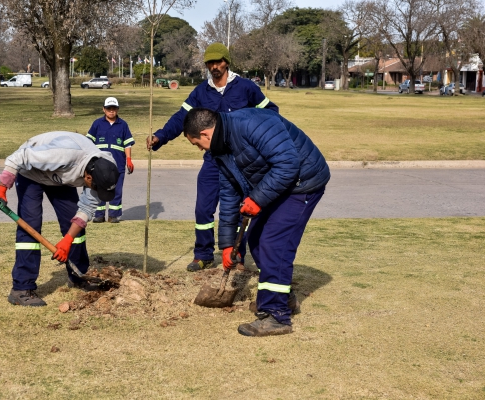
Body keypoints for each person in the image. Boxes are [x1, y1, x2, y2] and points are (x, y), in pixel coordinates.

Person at [183, 108, 330, 337]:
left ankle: (276, 315)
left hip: (302, 183)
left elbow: (288, 164)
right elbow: (229, 194)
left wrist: (257, 199)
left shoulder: (252, 124)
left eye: (197, 144)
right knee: (258, 241)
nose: (200, 149)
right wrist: (228, 245)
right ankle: (284, 297)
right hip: (277, 185)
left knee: (274, 244)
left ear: (205, 134)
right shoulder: (220, 150)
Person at [146, 42, 279, 272]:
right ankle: (203, 255)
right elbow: (181, 118)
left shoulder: (246, 87)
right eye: (210, 63)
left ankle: (237, 257)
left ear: (227, 62)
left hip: (241, 162)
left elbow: (271, 113)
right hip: (213, 160)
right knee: (203, 209)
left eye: (218, 62)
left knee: (240, 211)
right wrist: (160, 137)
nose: (214, 66)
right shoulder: (201, 91)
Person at [0, 131, 120, 307]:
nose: (98, 193)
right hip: (31, 173)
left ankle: (78, 275)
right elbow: (17, 158)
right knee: (31, 227)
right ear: (88, 177)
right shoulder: (63, 155)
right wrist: (1, 188)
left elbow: (86, 209)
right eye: (95, 188)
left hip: (61, 179)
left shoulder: (106, 169)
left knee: (74, 228)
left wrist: (68, 239)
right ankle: (21, 289)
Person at [86, 97, 134, 223]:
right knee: (98, 188)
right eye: (109, 109)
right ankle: (99, 215)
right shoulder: (97, 123)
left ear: (117, 110)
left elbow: (127, 144)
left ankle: (114, 215)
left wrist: (129, 159)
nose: (111, 111)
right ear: (104, 109)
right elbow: (88, 142)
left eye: (114, 109)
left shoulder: (123, 125)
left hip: (118, 164)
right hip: (99, 165)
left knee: (116, 189)